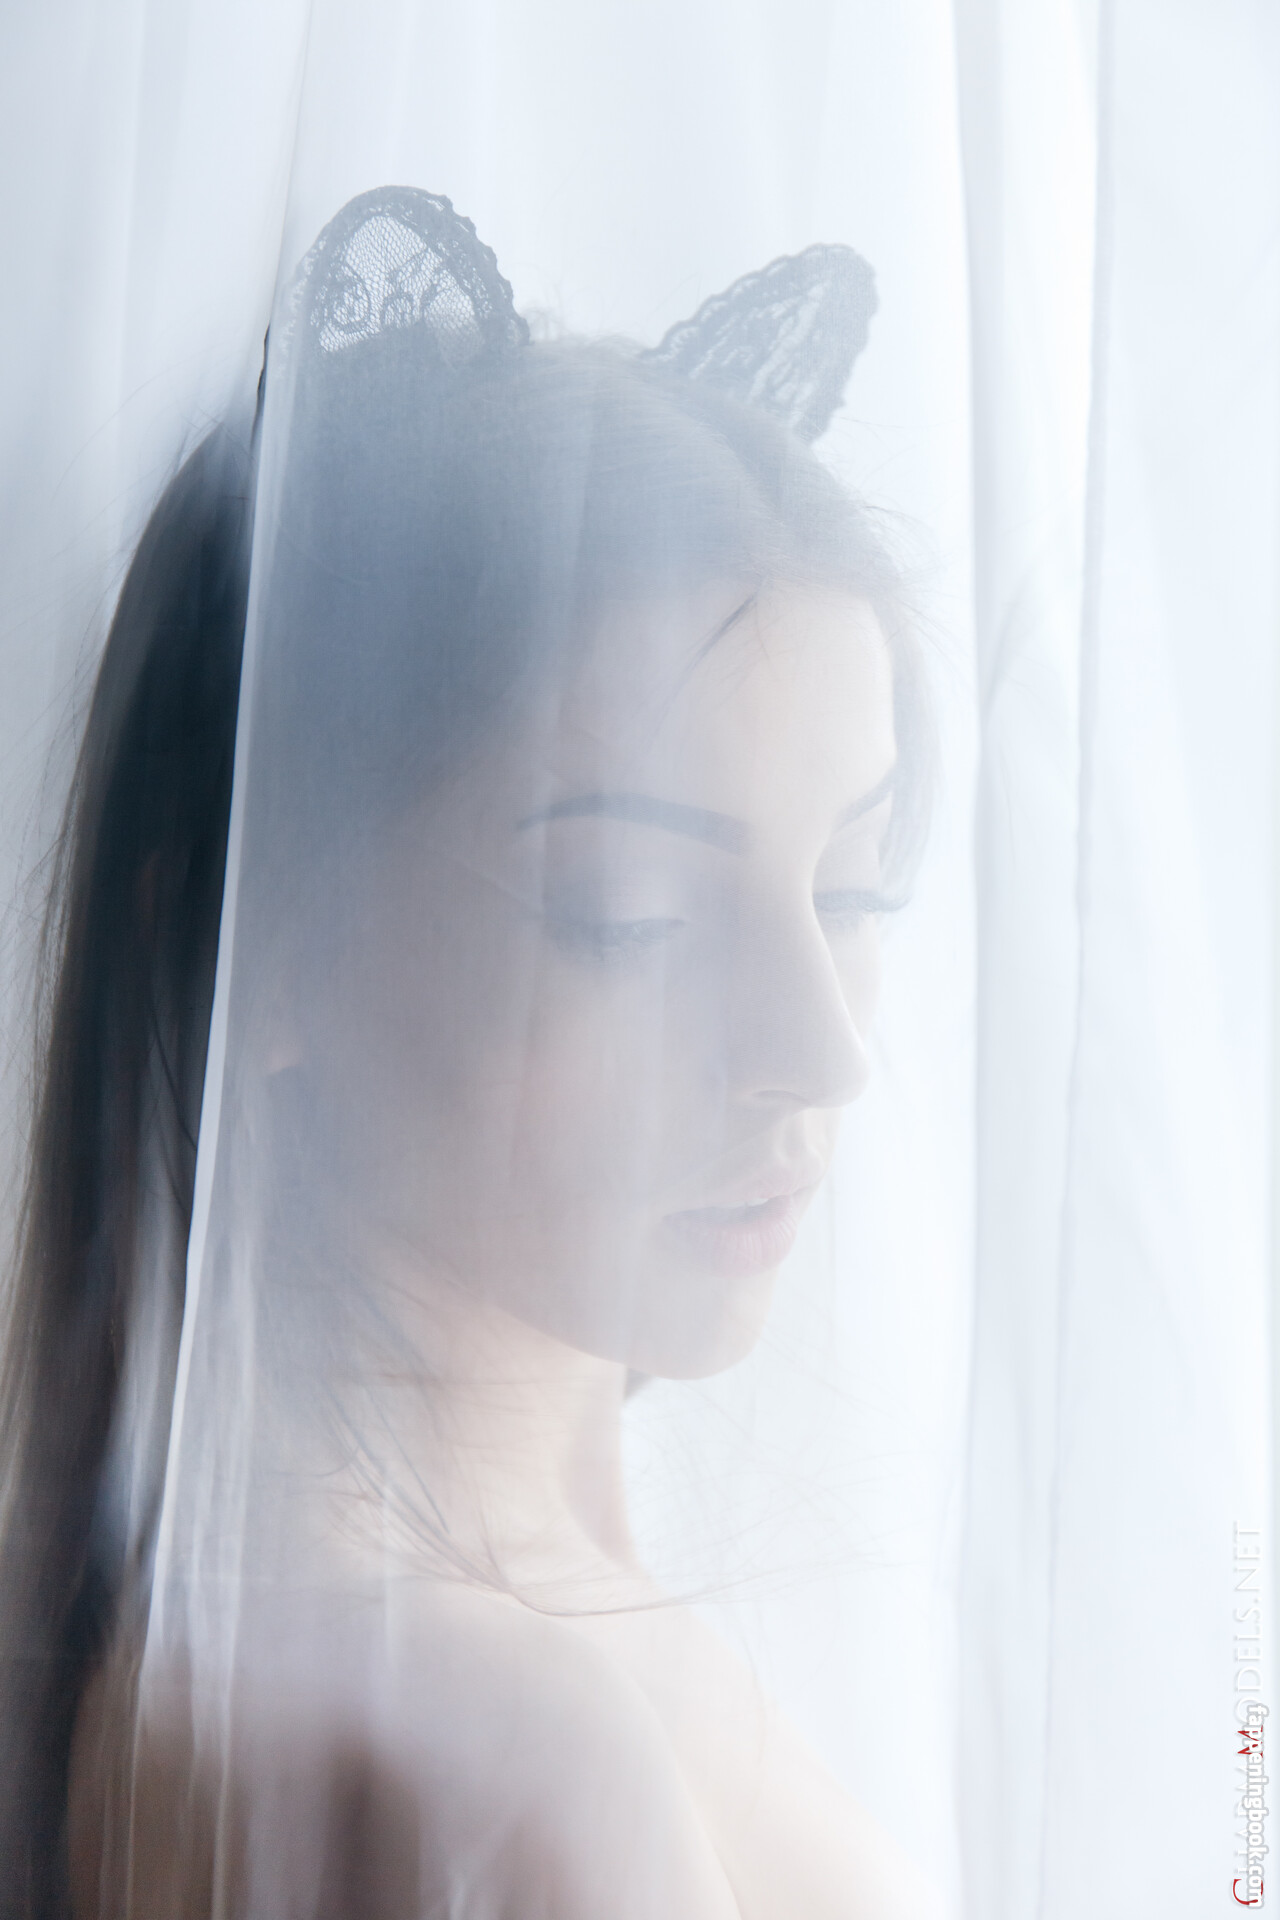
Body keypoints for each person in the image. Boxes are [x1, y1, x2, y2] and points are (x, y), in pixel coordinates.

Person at [0, 189, 937, 1918]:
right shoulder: (501, 1757)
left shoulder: (512, 1630)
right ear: (260, 949)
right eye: (630, 915)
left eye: (857, 888)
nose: (822, 1052)